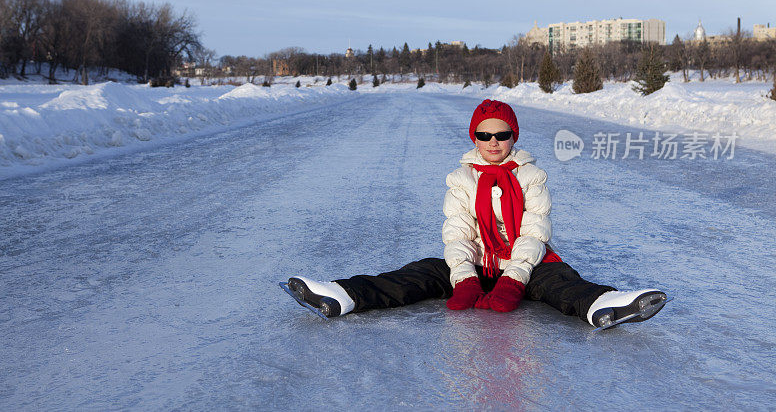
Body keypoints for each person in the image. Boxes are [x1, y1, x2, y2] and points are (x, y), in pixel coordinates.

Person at [284, 99, 667, 329]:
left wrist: (515, 280)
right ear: (475, 139)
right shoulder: (461, 179)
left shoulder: (532, 177)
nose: (494, 143)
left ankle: (605, 305)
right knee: (421, 272)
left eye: (501, 135)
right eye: (484, 136)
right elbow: (458, 233)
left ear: (513, 136)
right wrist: (465, 277)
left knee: (559, 281)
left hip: (525, 264)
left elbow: (534, 233)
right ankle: (343, 295)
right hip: (477, 265)